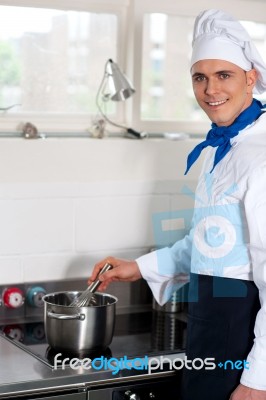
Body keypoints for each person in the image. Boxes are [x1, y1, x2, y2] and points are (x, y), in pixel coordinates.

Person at [89, 9, 266, 400]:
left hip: (243, 340)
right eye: (200, 77)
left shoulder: (261, 155)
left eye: (224, 75)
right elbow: (212, 243)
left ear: (250, 77)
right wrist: (137, 268)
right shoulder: (221, 148)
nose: (210, 89)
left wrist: (258, 381)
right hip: (211, 331)